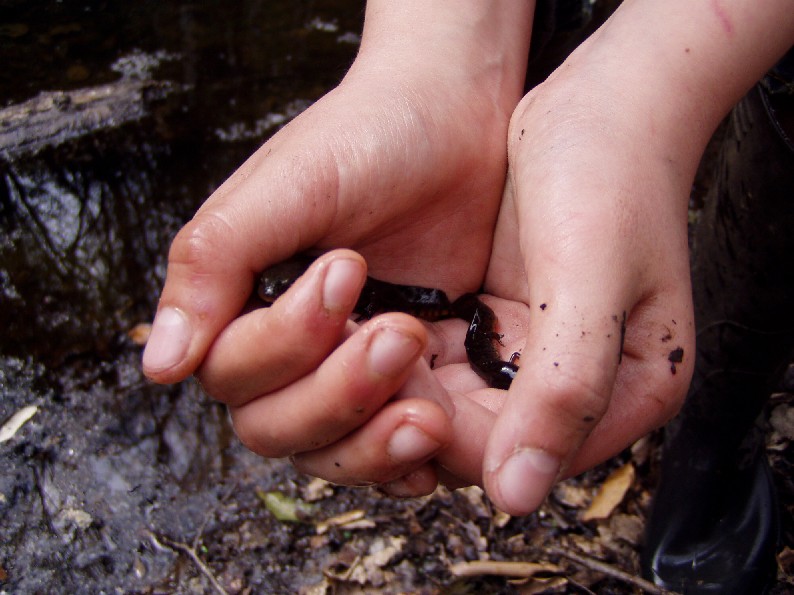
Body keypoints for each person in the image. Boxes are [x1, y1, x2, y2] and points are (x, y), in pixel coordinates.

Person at [142, 0, 794, 591]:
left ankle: (715, 441)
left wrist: (644, 99)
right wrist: (437, 59)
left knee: (762, 237)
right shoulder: (457, 323)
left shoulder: (475, 335)